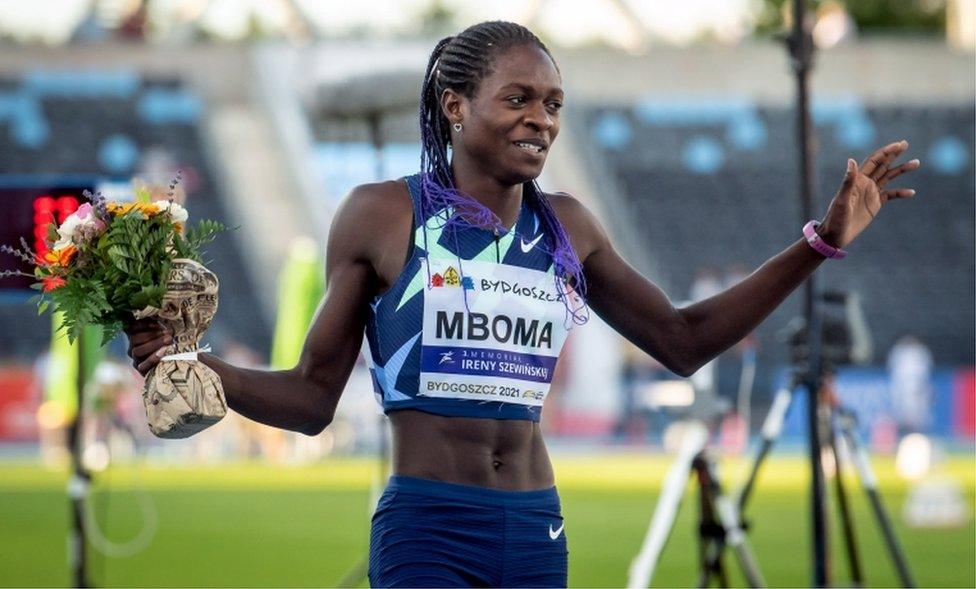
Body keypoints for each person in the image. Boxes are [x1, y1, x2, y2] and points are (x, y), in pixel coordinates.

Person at [123, 21, 921, 588]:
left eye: (554, 103)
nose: (541, 119)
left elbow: (683, 337)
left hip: (537, 531)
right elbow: (309, 399)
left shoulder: (566, 225)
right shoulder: (381, 216)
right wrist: (196, 366)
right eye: (519, 99)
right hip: (428, 529)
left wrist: (819, 241)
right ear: (455, 104)